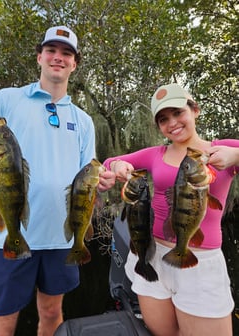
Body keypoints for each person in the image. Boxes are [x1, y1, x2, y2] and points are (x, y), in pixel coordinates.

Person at [0, 25, 115, 336]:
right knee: (0, 319)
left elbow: (88, 172)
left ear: (75, 63)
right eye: (51, 51)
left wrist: (103, 180)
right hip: (8, 232)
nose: (58, 57)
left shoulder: (83, 121)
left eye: (66, 53)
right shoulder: (7, 99)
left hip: (62, 238)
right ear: (39, 57)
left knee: (51, 312)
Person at [104, 83, 239, 336]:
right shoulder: (156, 154)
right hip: (152, 255)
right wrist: (118, 164)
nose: (172, 123)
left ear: (194, 110)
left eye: (178, 112)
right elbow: (111, 162)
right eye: (163, 119)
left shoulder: (223, 148)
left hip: (200, 264)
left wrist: (236, 156)